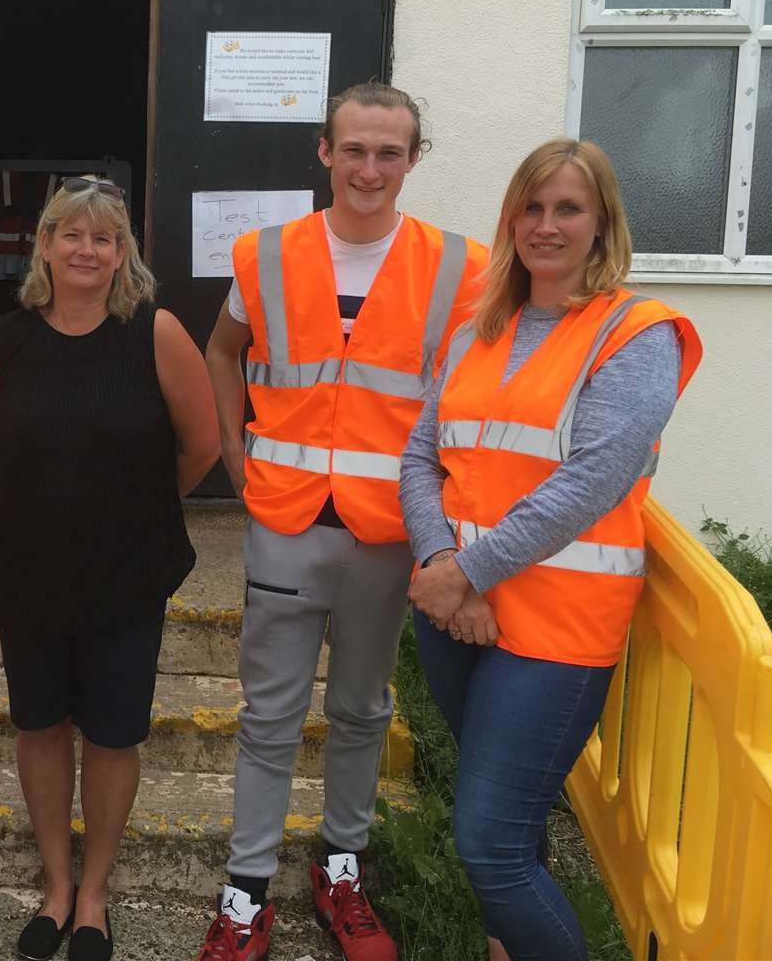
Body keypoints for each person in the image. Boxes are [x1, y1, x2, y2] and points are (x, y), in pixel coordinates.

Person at [199, 82, 490, 961]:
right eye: (354, 150)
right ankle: (245, 892)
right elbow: (222, 348)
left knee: (363, 710)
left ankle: (342, 869)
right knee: (270, 713)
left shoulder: (460, 266)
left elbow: (471, 398)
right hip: (286, 518)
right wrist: (234, 454)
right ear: (324, 153)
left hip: (391, 527)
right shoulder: (265, 252)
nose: (370, 169)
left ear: (412, 160)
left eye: (389, 153)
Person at [399, 139, 701, 961]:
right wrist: (436, 568)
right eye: (530, 208)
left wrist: (464, 573)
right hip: (456, 614)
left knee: (489, 843)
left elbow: (591, 482)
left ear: (602, 222)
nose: (546, 225)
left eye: (567, 208)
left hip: (555, 631)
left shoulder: (638, 334)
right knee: (515, 820)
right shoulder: (476, 328)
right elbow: (424, 453)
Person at [0, 175, 219, 961]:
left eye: (104, 238)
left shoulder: (157, 332)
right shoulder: (1, 340)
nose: (87, 249)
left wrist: (134, 507)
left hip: (126, 574)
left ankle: (96, 895)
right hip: (29, 570)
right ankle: (54, 885)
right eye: (70, 234)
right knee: (39, 727)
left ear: (122, 254)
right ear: (43, 244)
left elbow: (203, 447)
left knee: (112, 735)